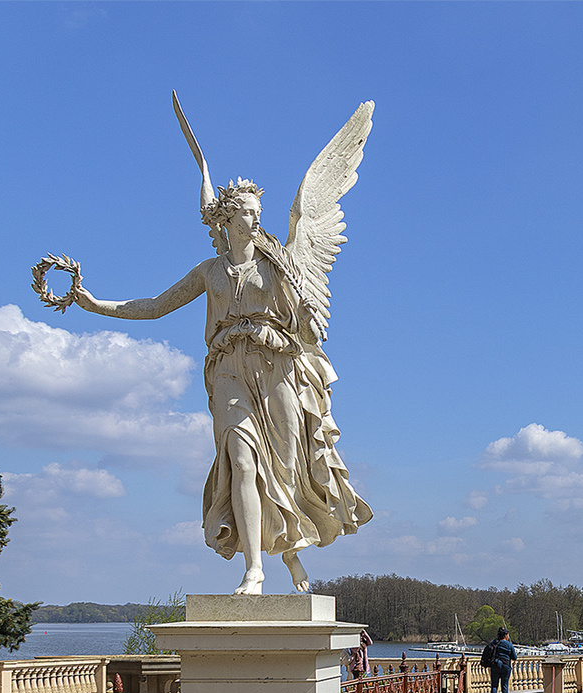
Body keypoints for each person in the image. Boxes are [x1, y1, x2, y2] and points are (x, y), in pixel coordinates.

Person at [62, 98, 374, 595]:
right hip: (228, 368)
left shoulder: (281, 265)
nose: (256, 219)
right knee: (244, 461)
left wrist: (291, 327)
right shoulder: (210, 272)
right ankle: (254, 569)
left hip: (276, 370)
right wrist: (93, 303)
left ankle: (290, 554)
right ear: (228, 220)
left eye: (257, 211)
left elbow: (305, 328)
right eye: (247, 213)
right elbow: (156, 305)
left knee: (285, 467)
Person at [487, 628, 516, 693]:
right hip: (506, 666)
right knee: (504, 686)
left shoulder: (494, 642)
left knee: (494, 686)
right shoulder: (509, 644)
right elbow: (514, 657)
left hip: (495, 665)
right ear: (506, 635)